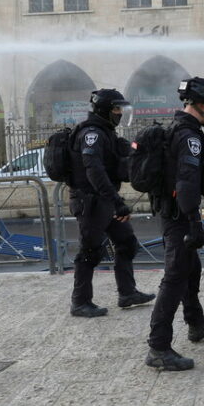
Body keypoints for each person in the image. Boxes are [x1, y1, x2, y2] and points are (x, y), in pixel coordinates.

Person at [145, 78, 204, 371]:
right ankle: (158, 347)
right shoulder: (189, 136)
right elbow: (187, 183)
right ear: (203, 105)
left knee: (192, 267)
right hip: (179, 215)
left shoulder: (176, 128)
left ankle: (196, 323)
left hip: (172, 210)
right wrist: (195, 223)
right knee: (175, 275)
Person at [68, 89, 155, 318]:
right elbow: (94, 171)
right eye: (116, 109)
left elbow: (122, 156)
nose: (119, 113)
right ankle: (80, 302)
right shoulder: (92, 134)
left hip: (105, 201)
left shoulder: (107, 132)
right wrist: (117, 202)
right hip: (91, 201)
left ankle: (127, 293)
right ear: (105, 110)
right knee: (89, 252)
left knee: (127, 243)